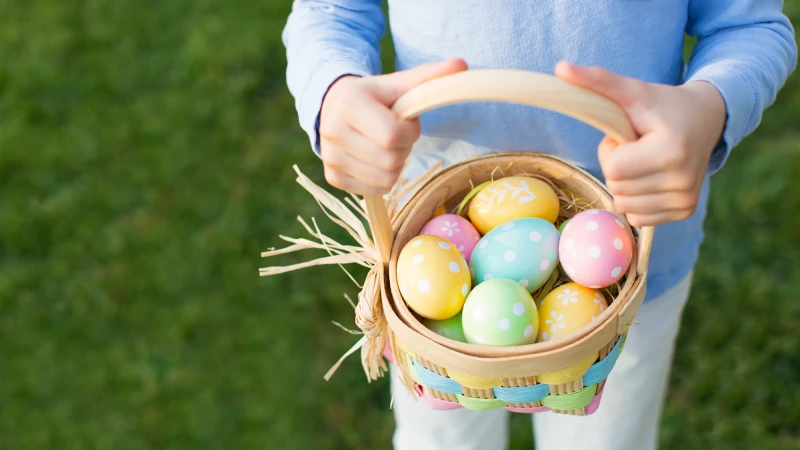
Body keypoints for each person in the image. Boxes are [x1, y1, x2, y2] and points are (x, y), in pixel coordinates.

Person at [282, 1, 797, 449]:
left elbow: (750, 27)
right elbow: (331, 11)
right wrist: (334, 89)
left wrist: (710, 106)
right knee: (441, 438)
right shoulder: (429, 261)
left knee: (607, 438)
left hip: (628, 257)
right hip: (430, 242)